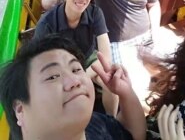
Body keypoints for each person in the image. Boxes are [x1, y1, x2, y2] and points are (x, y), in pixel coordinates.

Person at [0, 35, 146, 140]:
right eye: (52, 77)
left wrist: (126, 93)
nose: (74, 81)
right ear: (20, 110)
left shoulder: (94, 124)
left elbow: (132, 133)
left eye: (76, 69)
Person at [36, 0, 117, 115]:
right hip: (62, 67)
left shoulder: (95, 12)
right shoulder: (47, 24)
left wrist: (83, 74)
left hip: (88, 60)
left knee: (111, 82)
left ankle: (112, 122)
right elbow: (43, 63)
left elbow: (105, 57)